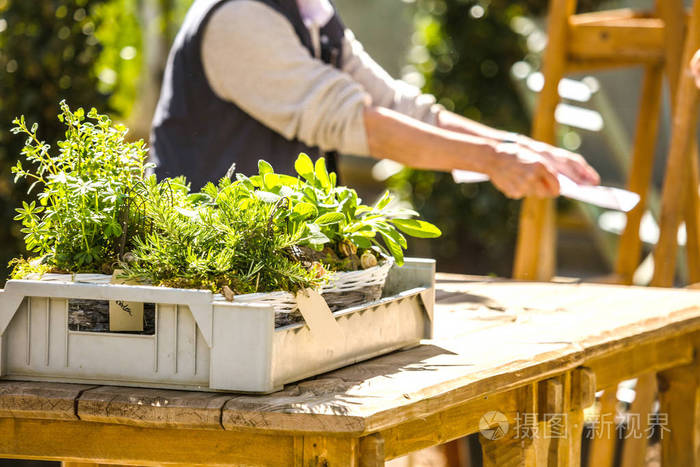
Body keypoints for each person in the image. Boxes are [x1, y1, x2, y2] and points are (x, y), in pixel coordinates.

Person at [151, 0, 599, 198]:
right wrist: (493, 160)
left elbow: (398, 106)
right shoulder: (239, 17)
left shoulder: (312, 14)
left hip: (264, 263)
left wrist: (517, 147)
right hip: (203, 268)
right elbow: (358, 123)